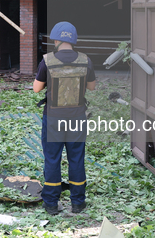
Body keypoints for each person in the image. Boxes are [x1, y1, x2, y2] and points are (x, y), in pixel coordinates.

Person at [33, 21, 96, 215]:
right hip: (77, 117)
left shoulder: (47, 60)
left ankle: (51, 204)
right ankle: (78, 203)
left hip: (53, 118)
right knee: (76, 158)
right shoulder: (86, 60)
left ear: (56, 39)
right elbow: (92, 87)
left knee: (52, 159)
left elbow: (36, 88)